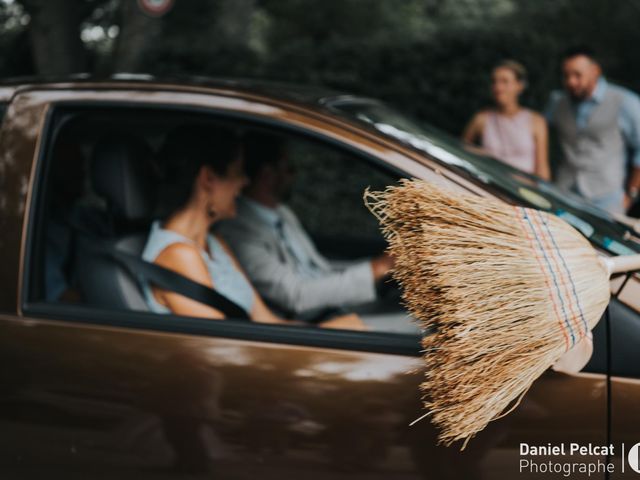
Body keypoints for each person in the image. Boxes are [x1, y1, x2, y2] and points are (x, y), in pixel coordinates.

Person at [141, 125, 362, 330]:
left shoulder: (214, 243)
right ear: (208, 178)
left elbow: (266, 321)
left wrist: (330, 333)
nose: (245, 181)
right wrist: (329, 333)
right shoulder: (178, 255)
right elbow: (220, 347)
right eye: (238, 172)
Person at [217, 132, 395, 319]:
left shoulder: (281, 213)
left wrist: (378, 268)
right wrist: (377, 269)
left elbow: (318, 270)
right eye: (290, 169)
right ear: (267, 174)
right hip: (309, 325)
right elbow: (296, 295)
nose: (294, 175)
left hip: (335, 309)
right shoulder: (238, 233)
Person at [546, 46, 640, 214]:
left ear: (595, 71)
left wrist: (631, 195)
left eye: (577, 75)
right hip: (562, 192)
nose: (570, 81)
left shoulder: (625, 102)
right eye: (566, 75)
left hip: (607, 200)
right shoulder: (556, 102)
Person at [463, 60, 550, 180]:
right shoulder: (481, 119)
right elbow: (462, 153)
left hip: (520, 192)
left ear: (519, 86)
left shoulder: (536, 121)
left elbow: (542, 172)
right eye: (494, 82)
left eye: (505, 81)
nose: (498, 87)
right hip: (487, 185)